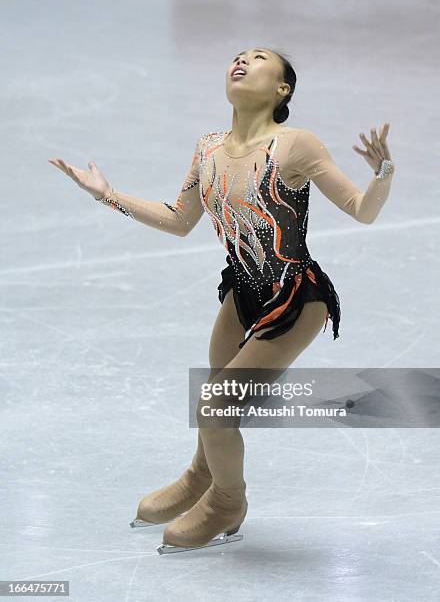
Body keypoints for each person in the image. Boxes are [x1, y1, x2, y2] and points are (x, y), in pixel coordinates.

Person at [48, 46, 395, 554]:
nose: (243, 61)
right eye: (239, 56)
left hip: (294, 298)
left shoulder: (296, 145)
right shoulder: (209, 146)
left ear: (283, 89)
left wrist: (382, 174)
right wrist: (108, 194)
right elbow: (179, 218)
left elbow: (361, 211)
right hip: (242, 291)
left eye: (259, 59)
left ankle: (228, 501)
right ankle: (199, 478)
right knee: (216, 396)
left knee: (215, 404)